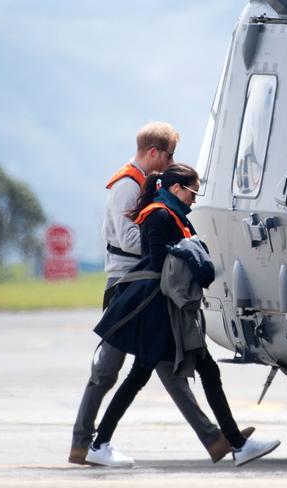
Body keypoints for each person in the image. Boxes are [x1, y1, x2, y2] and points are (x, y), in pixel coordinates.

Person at [69, 122, 252, 467]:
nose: (171, 162)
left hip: (148, 281)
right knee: (108, 369)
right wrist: (169, 249)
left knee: (170, 365)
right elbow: (127, 239)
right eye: (169, 155)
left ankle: (215, 439)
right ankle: (84, 442)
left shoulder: (144, 185)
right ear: (154, 152)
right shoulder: (126, 184)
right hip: (128, 283)